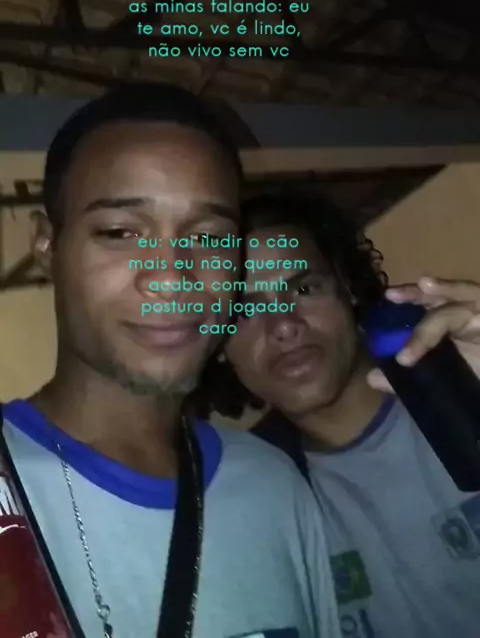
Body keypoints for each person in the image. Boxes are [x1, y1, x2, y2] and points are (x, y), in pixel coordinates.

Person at [1, 88, 341, 638]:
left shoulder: (274, 488)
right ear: (47, 247)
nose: (172, 278)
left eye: (209, 238)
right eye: (121, 232)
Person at [195, 189, 480, 638]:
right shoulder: (243, 504)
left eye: (304, 288)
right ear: (217, 344)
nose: (284, 324)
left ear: (346, 287)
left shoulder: (463, 392)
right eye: (244, 309)